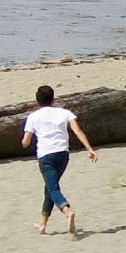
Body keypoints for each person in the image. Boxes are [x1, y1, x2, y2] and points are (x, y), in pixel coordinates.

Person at [22, 84, 98, 236]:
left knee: (53, 188)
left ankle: (67, 211)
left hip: (46, 157)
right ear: (53, 99)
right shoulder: (64, 112)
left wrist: (25, 141)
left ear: (38, 101)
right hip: (63, 155)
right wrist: (89, 149)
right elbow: (77, 131)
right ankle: (43, 224)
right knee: (50, 187)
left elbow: (25, 142)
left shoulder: (33, 117)